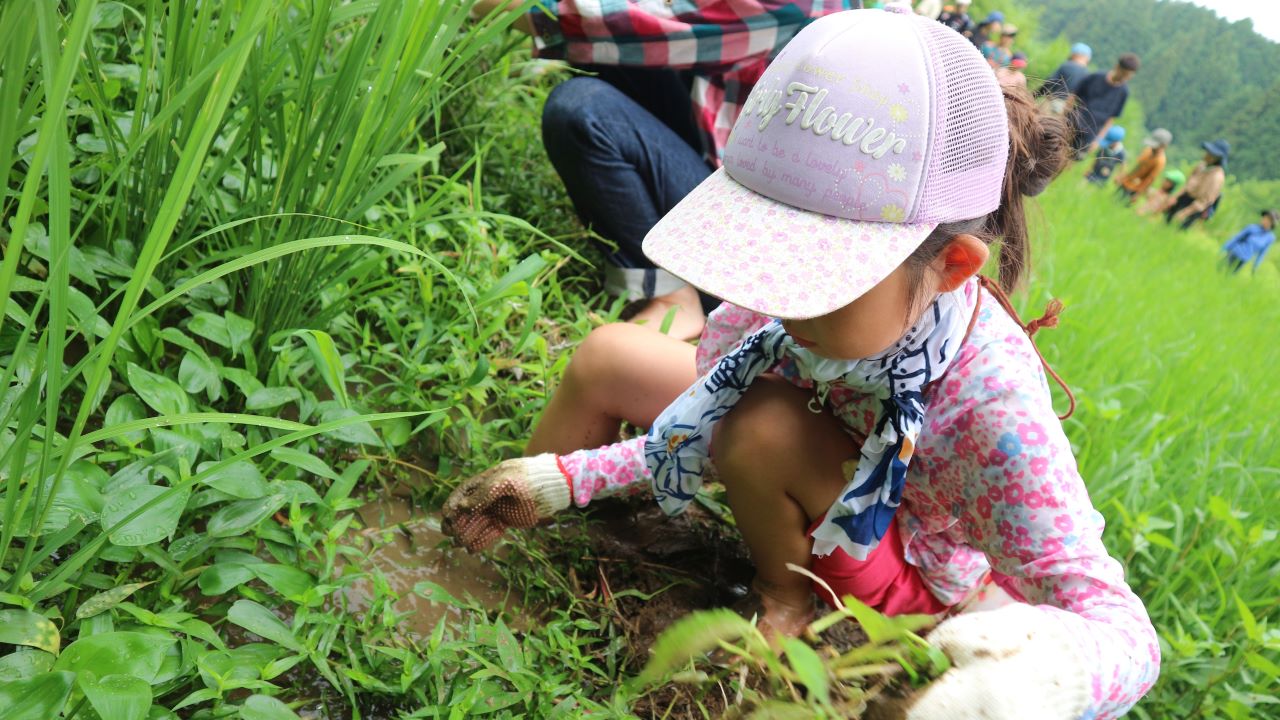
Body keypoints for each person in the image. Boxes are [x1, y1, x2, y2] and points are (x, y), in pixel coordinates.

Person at [442, 8, 1159, 719]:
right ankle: (508, 549)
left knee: (763, 428)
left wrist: (1047, 679)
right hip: (809, 450)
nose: (779, 303)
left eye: (821, 279)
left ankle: (784, 601)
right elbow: (698, 421)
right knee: (610, 357)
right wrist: (556, 480)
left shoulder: (991, 408)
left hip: (895, 557)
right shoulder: (780, 307)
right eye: (769, 253)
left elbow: (1121, 630)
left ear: (951, 267)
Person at [473, 0, 860, 340]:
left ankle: (674, 295)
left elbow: (615, 21)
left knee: (581, 109)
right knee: (614, 60)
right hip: (748, 193)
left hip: (757, 260)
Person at [1069, 53, 1140, 157]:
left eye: (1129, 76)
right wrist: (1062, 116)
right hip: (1071, 123)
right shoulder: (1095, 77)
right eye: (1124, 74)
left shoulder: (1123, 92)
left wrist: (1098, 140)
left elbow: (1111, 119)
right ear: (1117, 67)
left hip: (1089, 135)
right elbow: (1073, 96)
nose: (1125, 78)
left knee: (1071, 160)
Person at [1166, 140, 1229, 229]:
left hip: (1195, 207)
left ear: (1217, 158)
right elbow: (1188, 184)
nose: (1206, 155)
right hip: (1185, 197)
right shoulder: (1201, 165)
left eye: (1211, 154)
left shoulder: (1217, 177)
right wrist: (1175, 197)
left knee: (1177, 228)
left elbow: (1204, 201)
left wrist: (1185, 213)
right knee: (1167, 221)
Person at [1115, 128, 1171, 203]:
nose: (1153, 148)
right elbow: (1136, 165)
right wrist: (1122, 176)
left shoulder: (1160, 161)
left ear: (1163, 146)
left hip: (1134, 189)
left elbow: (1150, 179)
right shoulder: (1148, 150)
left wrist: (1138, 194)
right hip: (1126, 181)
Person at [1035, 43, 1092, 115]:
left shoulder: (1066, 66)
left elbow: (1051, 82)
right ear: (1088, 58)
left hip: (1053, 103)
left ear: (1074, 54)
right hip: (1068, 111)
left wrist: (1035, 95)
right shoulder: (1087, 74)